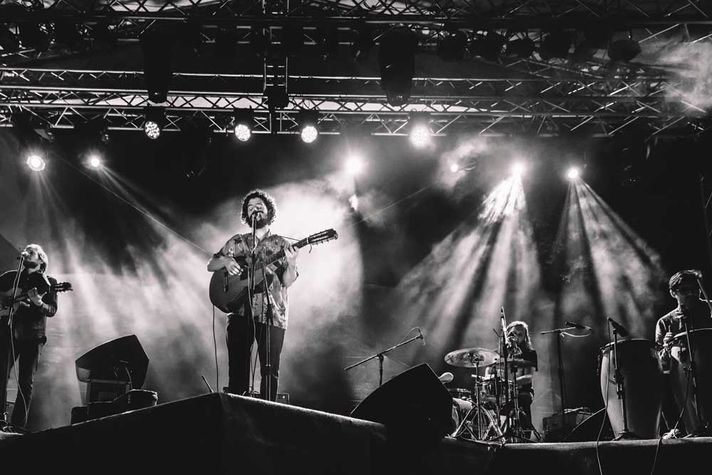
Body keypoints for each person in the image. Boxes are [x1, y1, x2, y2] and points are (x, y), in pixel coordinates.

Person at [207, 189, 299, 401]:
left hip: (273, 314)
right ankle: (237, 417)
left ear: (269, 211)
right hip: (239, 311)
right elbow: (212, 264)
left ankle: (269, 416)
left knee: (270, 371)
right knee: (237, 368)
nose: (255, 209)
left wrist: (292, 262)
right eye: (250, 207)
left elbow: (287, 281)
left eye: (260, 206)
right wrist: (227, 261)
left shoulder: (282, 244)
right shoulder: (237, 241)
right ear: (246, 215)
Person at [0, 244, 58, 430]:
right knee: (0, 375)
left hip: (33, 336)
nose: (26, 253)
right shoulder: (11, 276)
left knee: (25, 382)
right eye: (25, 251)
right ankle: (0, 419)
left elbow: (51, 310)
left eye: (31, 252)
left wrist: (39, 302)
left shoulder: (48, 282)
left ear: (41, 259)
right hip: (8, 332)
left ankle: (17, 426)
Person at [655, 269, 712, 436]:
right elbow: (662, 363)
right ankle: (687, 428)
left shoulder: (709, 309)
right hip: (683, 376)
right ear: (673, 293)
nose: (691, 293)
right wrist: (666, 346)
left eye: (695, 289)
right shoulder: (665, 322)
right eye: (685, 290)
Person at [486, 320, 538, 438]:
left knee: (523, 398)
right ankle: (494, 433)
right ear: (507, 334)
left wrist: (510, 384)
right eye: (513, 334)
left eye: (520, 335)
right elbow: (488, 372)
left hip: (523, 391)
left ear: (525, 337)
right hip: (501, 392)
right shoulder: (497, 354)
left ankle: (525, 435)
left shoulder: (529, 353)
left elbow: (528, 377)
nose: (516, 337)